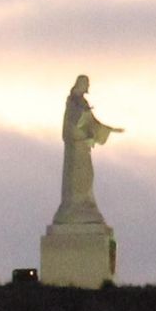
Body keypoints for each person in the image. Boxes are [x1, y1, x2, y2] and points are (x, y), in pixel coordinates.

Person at [52, 75, 123, 225]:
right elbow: (71, 125)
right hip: (76, 147)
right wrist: (81, 133)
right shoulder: (72, 103)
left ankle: (85, 204)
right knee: (76, 175)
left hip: (84, 147)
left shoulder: (83, 103)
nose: (87, 87)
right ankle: (74, 206)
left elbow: (92, 123)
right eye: (86, 84)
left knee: (87, 175)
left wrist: (108, 129)